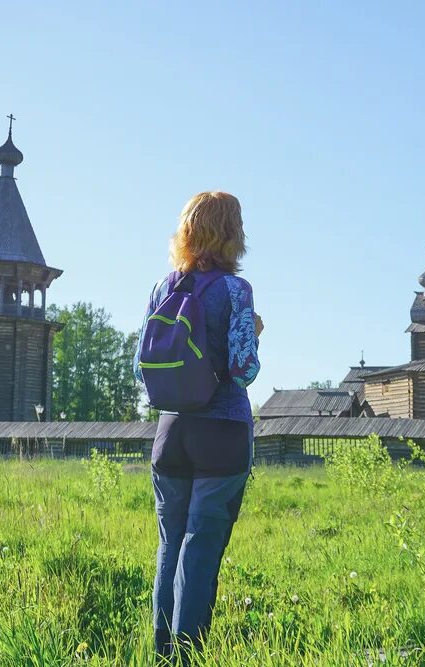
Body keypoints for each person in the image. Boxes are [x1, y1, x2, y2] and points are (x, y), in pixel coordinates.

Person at [133, 191, 262, 658]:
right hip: (222, 432)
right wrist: (256, 333)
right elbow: (244, 369)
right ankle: (189, 656)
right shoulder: (235, 291)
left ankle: (162, 651)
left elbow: (139, 369)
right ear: (233, 235)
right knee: (201, 549)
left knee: (170, 548)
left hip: (170, 435)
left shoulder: (163, 287)